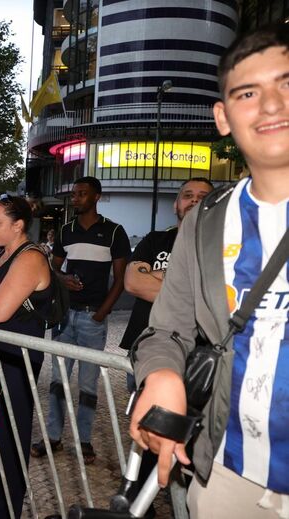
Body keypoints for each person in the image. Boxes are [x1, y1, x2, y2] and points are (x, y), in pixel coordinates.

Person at [130, 25, 289, 519]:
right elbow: (167, 328)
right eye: (248, 92)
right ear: (223, 117)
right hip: (227, 470)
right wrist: (159, 374)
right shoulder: (205, 220)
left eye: (287, 83)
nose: (270, 104)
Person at [117, 177, 213, 516]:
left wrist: (160, 280)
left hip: (201, 370)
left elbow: (203, 302)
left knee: (192, 460)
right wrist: (184, 289)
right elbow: (131, 281)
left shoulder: (218, 247)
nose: (194, 201)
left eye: (203, 196)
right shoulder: (156, 240)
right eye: (188, 195)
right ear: (176, 203)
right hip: (149, 357)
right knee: (143, 445)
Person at [31, 176, 130, 465]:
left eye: (82, 194)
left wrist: (102, 312)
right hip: (64, 316)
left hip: (93, 318)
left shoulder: (113, 232)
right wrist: (62, 279)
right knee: (58, 381)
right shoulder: (65, 231)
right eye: (74, 194)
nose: (75, 198)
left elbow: (121, 279)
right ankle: (53, 436)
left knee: (88, 384)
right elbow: (53, 268)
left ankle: (84, 441)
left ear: (96, 197)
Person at [0, 194, 53, 518]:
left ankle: (3, 513)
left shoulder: (30, 258)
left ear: (18, 225)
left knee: (9, 447)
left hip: (16, 368)